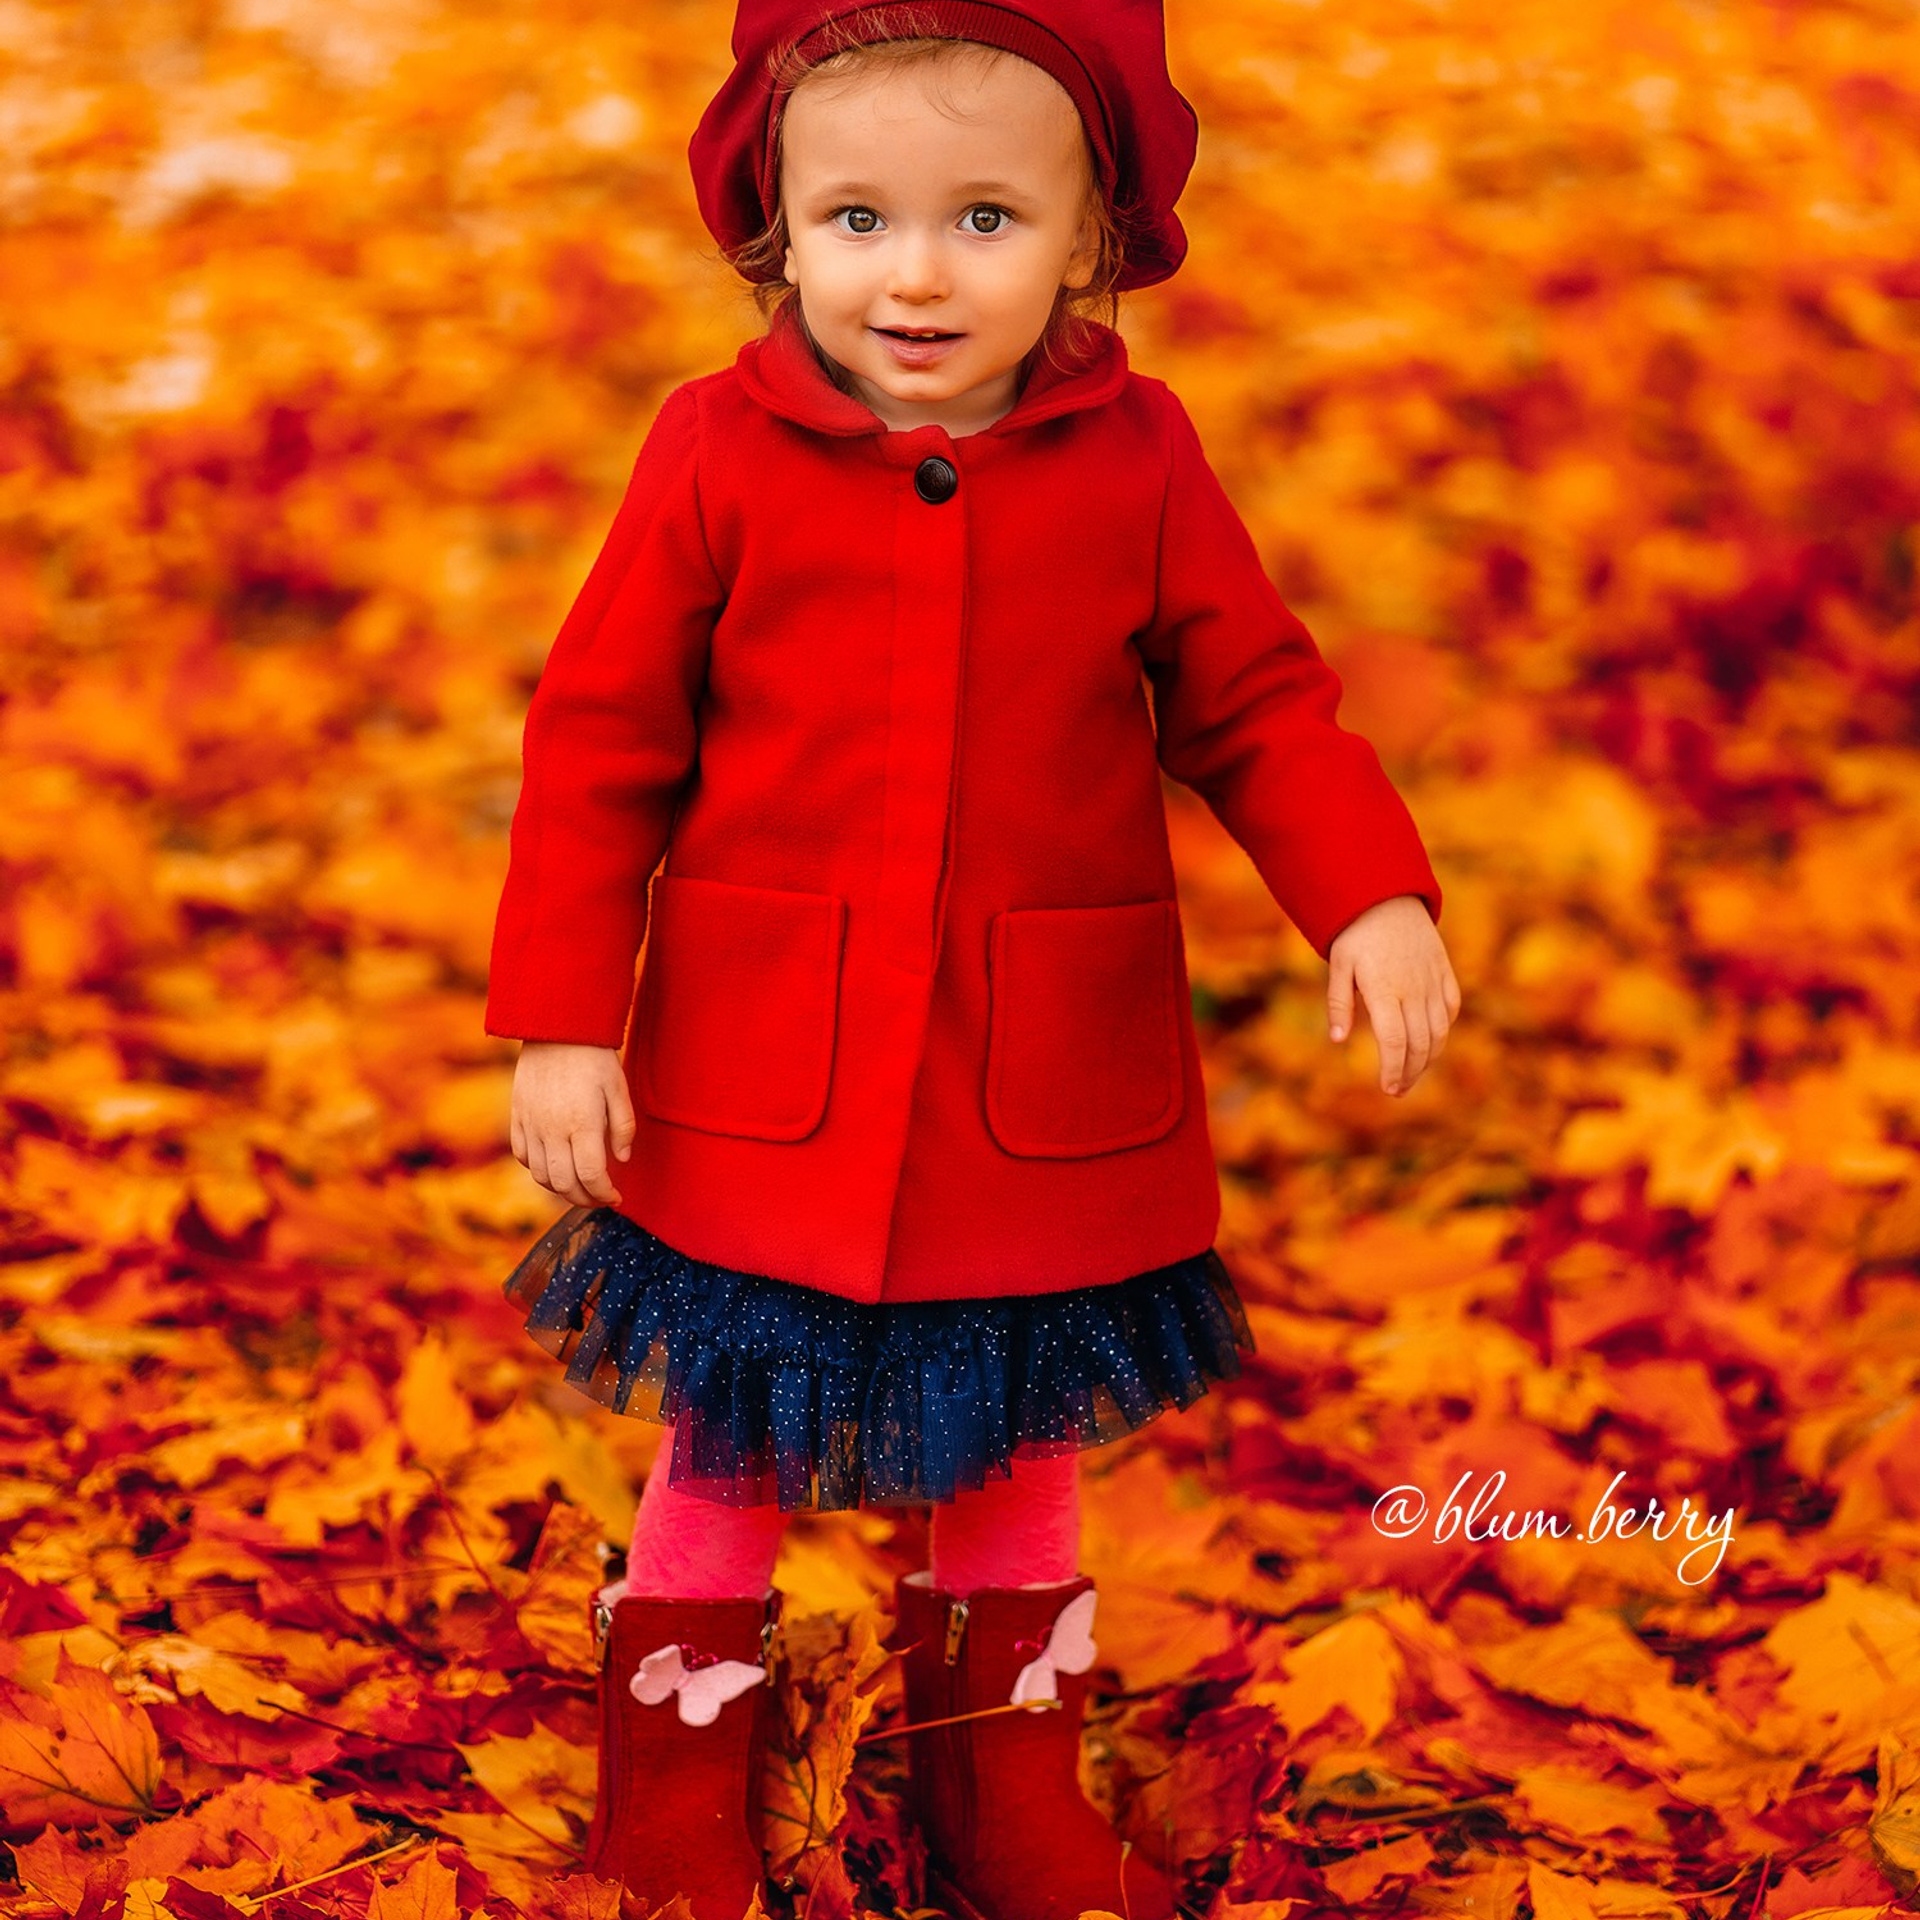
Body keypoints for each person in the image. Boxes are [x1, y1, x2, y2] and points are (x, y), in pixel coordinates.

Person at [484, 3, 1462, 1916]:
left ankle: (998, 1780)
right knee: (734, 1438)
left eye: (987, 219)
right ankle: (677, 1784)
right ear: (773, 219)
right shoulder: (714, 454)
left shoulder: (1139, 461)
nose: (916, 273)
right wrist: (558, 1023)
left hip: (1037, 1070)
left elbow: (1253, 700)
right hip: (773, 1061)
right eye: (856, 219)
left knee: (1014, 1441)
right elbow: (599, 747)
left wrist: (1367, 892)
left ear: (1092, 239)